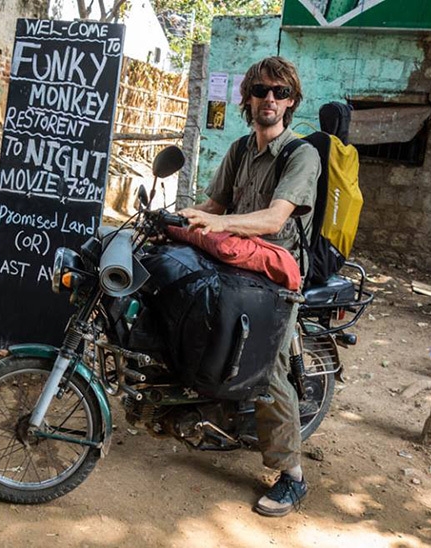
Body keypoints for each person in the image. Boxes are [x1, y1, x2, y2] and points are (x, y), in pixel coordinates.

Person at [180, 57, 321, 517]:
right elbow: (214, 203)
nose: (270, 99)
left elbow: (274, 218)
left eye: (280, 93)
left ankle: (292, 476)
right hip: (237, 264)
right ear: (248, 98)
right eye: (261, 90)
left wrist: (217, 222)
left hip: (277, 275)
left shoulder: (301, 155)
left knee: (267, 369)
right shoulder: (240, 149)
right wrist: (180, 216)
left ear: (292, 101)